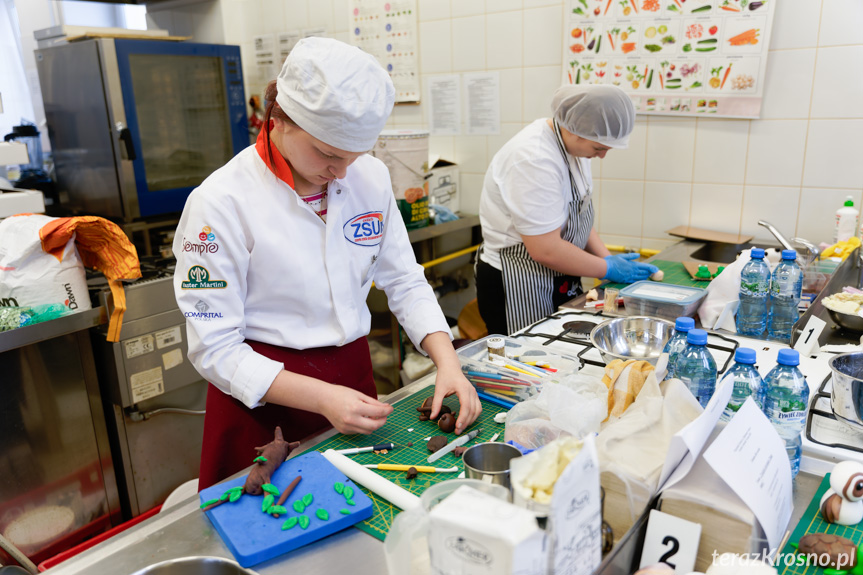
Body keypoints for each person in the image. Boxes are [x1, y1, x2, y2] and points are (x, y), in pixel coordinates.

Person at [174, 37, 480, 490]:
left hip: (351, 380)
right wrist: (320, 397)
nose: (340, 172)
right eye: (328, 154)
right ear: (278, 119)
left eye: (353, 157)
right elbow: (214, 347)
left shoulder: (368, 177)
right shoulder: (221, 203)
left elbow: (404, 280)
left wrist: (447, 361)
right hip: (265, 400)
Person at [475, 84, 658, 335]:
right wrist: (607, 268)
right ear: (575, 131)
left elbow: (579, 215)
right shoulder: (533, 159)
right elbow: (545, 249)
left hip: (559, 273)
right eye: (599, 148)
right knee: (529, 360)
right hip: (520, 280)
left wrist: (607, 260)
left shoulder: (575, 149)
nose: (602, 156)